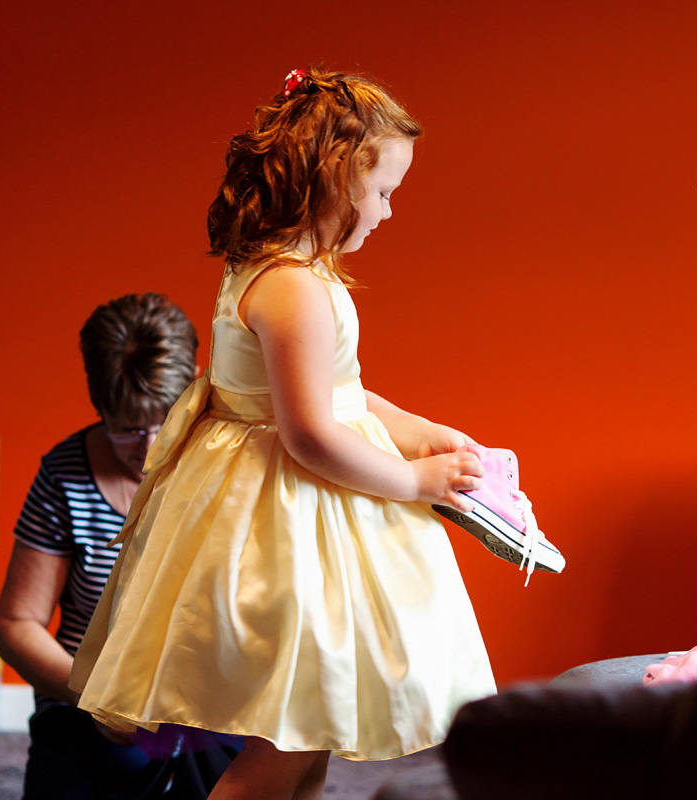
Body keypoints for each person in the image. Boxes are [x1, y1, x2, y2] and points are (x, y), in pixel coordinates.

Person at [70, 68, 498, 800]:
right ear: (335, 178)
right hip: (286, 522)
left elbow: (343, 391)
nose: (390, 212)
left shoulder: (295, 269)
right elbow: (311, 435)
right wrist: (416, 482)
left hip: (302, 508)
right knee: (284, 744)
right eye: (386, 191)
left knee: (308, 737)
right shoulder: (293, 288)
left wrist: (419, 431)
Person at [0, 293, 240, 798]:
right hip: (85, 703)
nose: (149, 448)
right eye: (128, 429)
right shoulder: (65, 473)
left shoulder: (235, 463)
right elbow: (16, 625)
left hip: (206, 708)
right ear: (98, 404)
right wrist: (97, 696)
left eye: (164, 420)